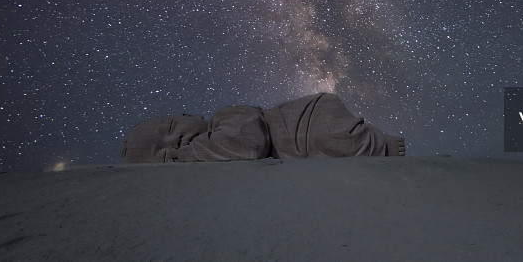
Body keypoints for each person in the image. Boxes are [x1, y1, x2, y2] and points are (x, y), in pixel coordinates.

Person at [121, 92, 406, 163]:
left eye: (172, 126)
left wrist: (185, 155)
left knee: (337, 141)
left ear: (187, 114)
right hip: (302, 144)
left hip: (308, 119)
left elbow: (247, 144)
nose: (178, 139)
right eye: (167, 151)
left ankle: (380, 144)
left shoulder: (226, 116)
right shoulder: (210, 149)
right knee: (334, 151)